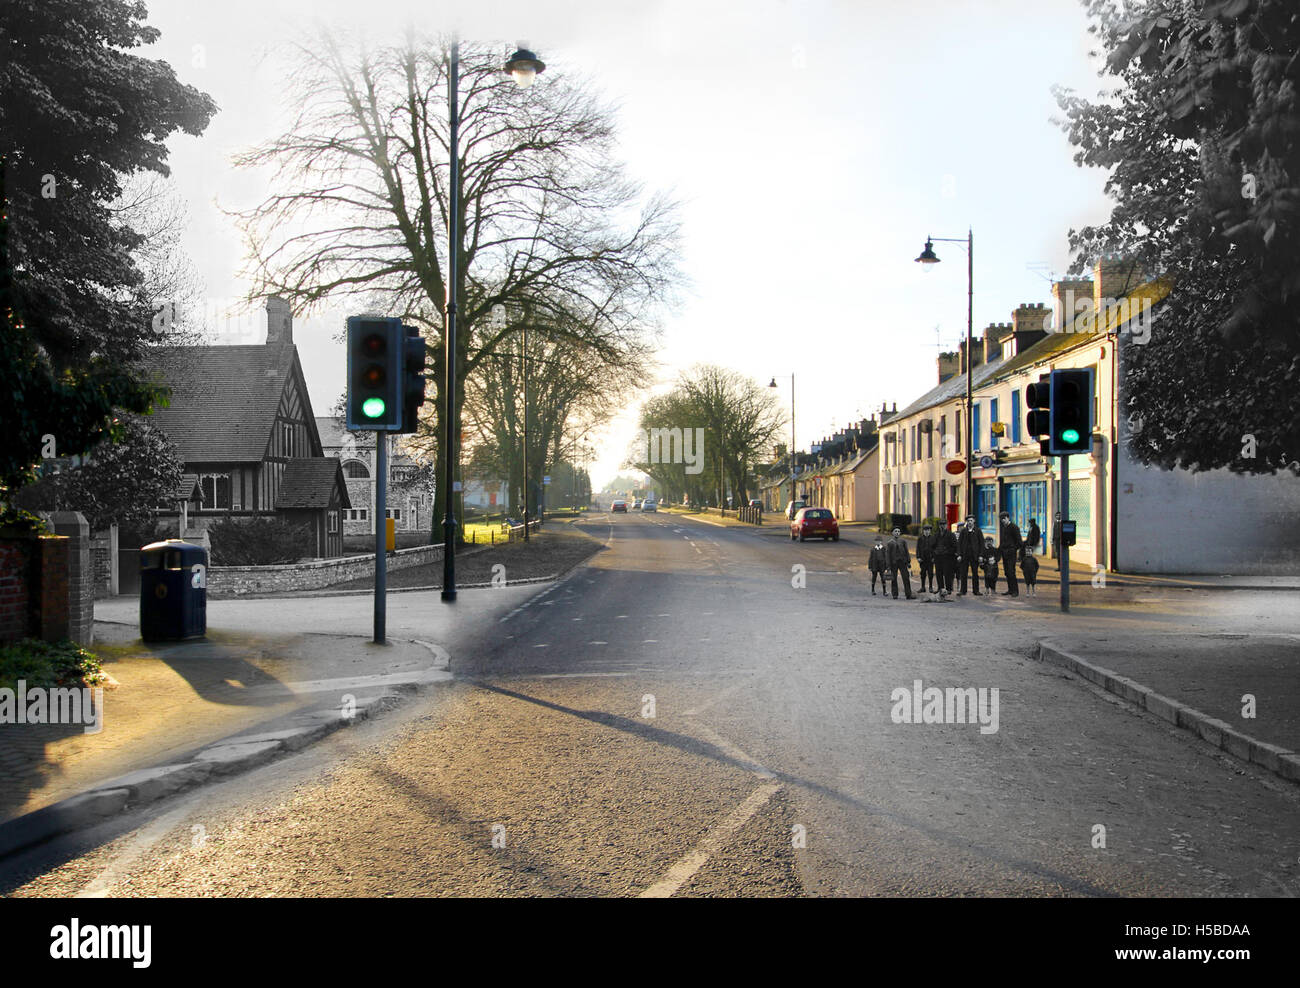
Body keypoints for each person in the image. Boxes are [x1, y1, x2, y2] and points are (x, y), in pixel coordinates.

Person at [956, 516, 984, 596]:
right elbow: (959, 544)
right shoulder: (963, 531)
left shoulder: (978, 531)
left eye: (971, 520)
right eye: (968, 521)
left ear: (974, 521)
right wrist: (959, 554)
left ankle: (976, 590)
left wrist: (981, 555)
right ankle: (963, 590)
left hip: (974, 556)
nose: (970, 522)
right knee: (963, 573)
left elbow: (982, 544)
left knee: (975, 573)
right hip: (964, 556)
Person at [998, 511, 1023, 597]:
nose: (1003, 521)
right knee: (1006, 572)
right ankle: (1010, 589)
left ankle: (1015, 591)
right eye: (1001, 519)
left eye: (1004, 519)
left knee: (1011, 572)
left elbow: (1019, 542)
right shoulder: (1004, 528)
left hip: (1011, 553)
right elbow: (1003, 541)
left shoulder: (1014, 527)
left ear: (1008, 518)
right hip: (1005, 553)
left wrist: (1013, 549)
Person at [887, 527, 916, 600]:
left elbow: (906, 552)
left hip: (902, 562)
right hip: (894, 562)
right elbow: (887, 555)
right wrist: (888, 566)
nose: (897, 532)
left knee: (906, 578)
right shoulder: (890, 543)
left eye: (898, 531)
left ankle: (908, 594)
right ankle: (895, 594)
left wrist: (908, 562)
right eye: (895, 531)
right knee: (894, 578)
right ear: (892, 533)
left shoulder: (903, 541)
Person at [933, 523, 958, 598]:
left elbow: (955, 546)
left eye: (944, 525)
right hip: (938, 557)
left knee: (947, 574)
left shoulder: (950, 534)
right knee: (938, 573)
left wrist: (948, 552)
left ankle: (948, 588)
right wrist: (935, 552)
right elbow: (932, 545)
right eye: (940, 525)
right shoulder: (936, 534)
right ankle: (940, 588)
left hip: (947, 557)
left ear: (946, 526)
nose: (942, 526)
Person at [916, 524, 937, 592]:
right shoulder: (920, 538)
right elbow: (918, 548)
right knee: (923, 573)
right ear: (923, 531)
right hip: (923, 559)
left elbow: (935, 548)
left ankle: (930, 587)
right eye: (925, 530)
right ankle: (923, 587)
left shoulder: (933, 538)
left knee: (930, 573)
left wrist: (934, 557)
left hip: (930, 559)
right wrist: (918, 557)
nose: (926, 532)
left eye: (928, 530)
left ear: (930, 531)